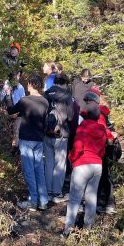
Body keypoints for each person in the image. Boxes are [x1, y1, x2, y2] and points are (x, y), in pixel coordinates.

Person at [5, 75, 49, 211]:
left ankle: (33, 201)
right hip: (39, 139)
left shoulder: (25, 101)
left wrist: (8, 95)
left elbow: (10, 110)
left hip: (26, 139)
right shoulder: (45, 102)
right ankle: (43, 201)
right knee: (39, 170)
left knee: (29, 170)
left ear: (30, 85)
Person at [63, 105, 107, 236]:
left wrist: (71, 158)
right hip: (97, 165)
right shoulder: (102, 129)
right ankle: (88, 229)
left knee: (74, 199)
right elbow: (102, 151)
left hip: (83, 164)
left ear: (86, 115)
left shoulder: (83, 127)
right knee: (91, 198)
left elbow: (77, 146)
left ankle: (67, 231)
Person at [44, 72, 74, 203]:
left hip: (46, 133)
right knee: (60, 165)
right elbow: (71, 116)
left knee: (48, 163)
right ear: (65, 83)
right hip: (61, 133)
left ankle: (48, 192)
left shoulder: (46, 94)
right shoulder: (66, 96)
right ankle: (57, 193)